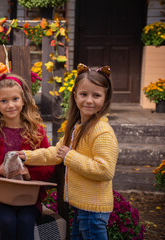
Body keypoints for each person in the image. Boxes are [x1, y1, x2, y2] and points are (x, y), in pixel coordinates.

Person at [18, 63, 119, 240]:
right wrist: (27, 156)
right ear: (75, 96)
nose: (89, 100)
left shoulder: (102, 132)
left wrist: (70, 156)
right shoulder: (77, 127)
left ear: (105, 98)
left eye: (96, 95)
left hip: (93, 210)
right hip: (81, 206)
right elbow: (55, 153)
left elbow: (105, 170)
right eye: (84, 94)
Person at [0, 73, 54, 240]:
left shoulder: (37, 131)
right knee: (8, 221)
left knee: (26, 221)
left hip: (29, 198)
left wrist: (29, 173)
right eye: (3, 101)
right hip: (0, 197)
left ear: (23, 100)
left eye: (15, 99)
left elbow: (49, 165)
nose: (10, 105)